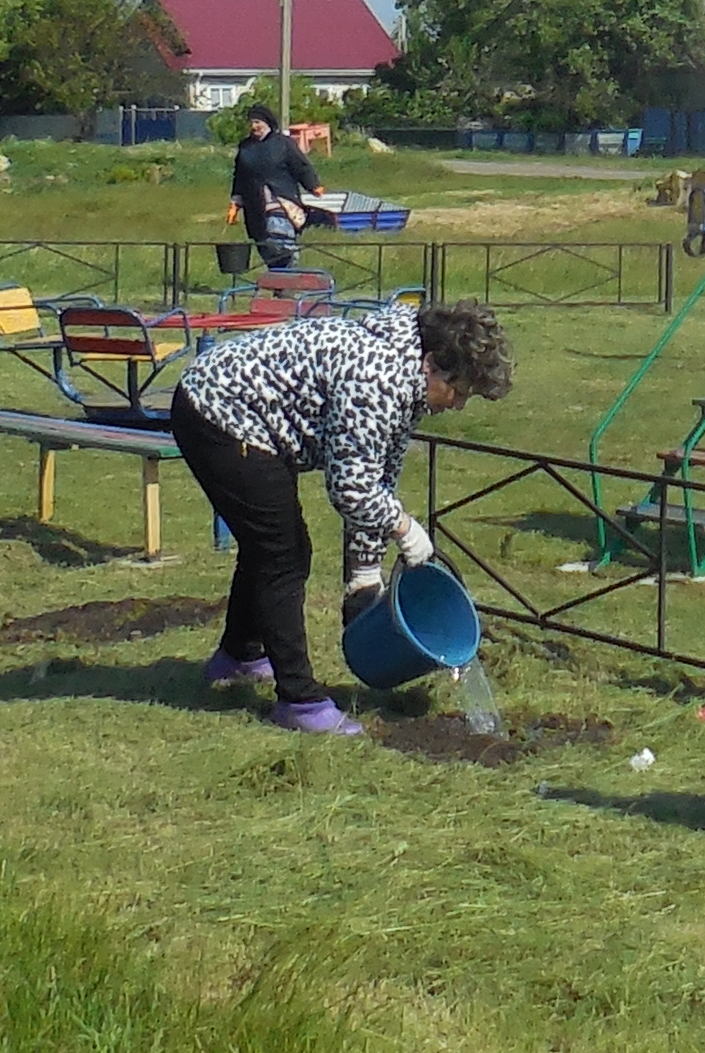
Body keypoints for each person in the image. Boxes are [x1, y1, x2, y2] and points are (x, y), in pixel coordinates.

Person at [163, 295, 515, 736]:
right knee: (284, 554)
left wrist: (364, 575)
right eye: (460, 391)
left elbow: (376, 479)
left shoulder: (407, 375)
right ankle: (299, 700)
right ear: (434, 364)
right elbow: (350, 489)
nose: (459, 405)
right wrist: (406, 530)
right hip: (218, 412)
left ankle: (239, 655)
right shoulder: (379, 377)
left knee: (270, 545)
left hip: (246, 415)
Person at [229, 103, 325, 271]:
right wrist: (235, 203)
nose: (254, 126)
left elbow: (301, 166)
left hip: (281, 201)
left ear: (267, 122)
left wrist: (313, 185)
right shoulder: (245, 147)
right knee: (264, 244)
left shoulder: (283, 143)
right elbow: (240, 177)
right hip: (254, 205)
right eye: (251, 122)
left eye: (257, 122)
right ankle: (279, 283)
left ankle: (288, 276)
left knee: (280, 240)